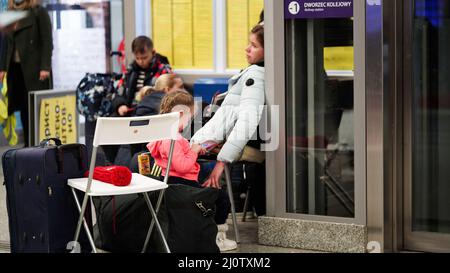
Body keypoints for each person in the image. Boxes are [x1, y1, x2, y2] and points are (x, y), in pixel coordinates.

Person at [147, 91, 236, 252]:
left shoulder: (165, 135)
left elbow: (176, 159)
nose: (189, 122)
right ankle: (217, 236)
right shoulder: (171, 138)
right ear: (181, 113)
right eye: (190, 117)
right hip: (181, 185)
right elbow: (182, 167)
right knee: (221, 198)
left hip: (176, 184)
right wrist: (193, 151)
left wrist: (191, 149)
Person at [191, 24, 266, 215]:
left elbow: (247, 121)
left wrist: (221, 161)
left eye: (254, 45)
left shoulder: (256, 75)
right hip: (226, 136)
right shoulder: (256, 72)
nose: (247, 49)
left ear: (268, 50)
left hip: (238, 141)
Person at [0, 0, 52, 147]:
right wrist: (2, 67)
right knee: (22, 106)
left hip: (35, 70)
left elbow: (47, 41)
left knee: (36, 108)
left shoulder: (38, 12)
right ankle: (29, 143)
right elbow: (5, 42)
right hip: (15, 69)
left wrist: (45, 67)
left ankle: (39, 144)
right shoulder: (10, 14)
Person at [112, 36, 172, 117]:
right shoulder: (130, 70)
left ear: (153, 52)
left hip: (152, 114)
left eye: (144, 57)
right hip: (130, 113)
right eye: (137, 58)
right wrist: (120, 105)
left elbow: (170, 96)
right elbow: (117, 92)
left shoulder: (163, 71)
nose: (141, 62)